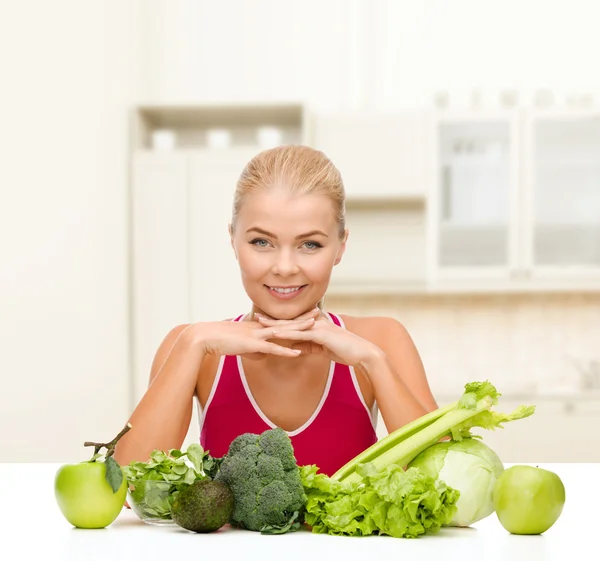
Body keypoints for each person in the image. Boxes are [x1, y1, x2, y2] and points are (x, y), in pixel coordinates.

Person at [114, 144, 438, 477]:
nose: (284, 267)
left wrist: (374, 362)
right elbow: (129, 483)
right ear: (233, 241)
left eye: (310, 244)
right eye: (261, 242)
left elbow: (445, 478)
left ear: (340, 247)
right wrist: (192, 342)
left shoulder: (381, 340)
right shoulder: (193, 347)